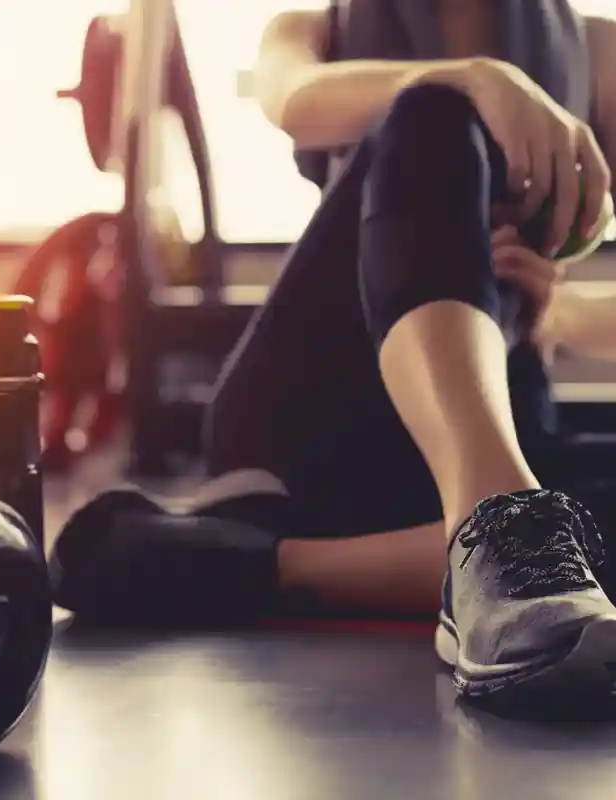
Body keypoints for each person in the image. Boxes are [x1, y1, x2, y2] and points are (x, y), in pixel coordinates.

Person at [50, 0, 616, 713]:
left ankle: (271, 563)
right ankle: (499, 532)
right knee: (433, 107)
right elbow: (294, 99)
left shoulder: (597, 54)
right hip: (320, 419)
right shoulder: (307, 30)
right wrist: (475, 80)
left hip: (497, 442)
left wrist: (566, 314)